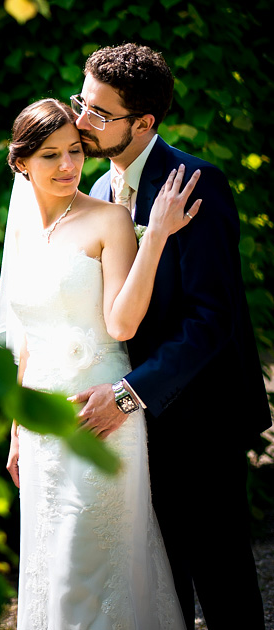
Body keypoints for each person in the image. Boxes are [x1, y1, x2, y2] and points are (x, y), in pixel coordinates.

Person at [68, 43, 271, 629]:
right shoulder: (98, 194)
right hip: (127, 432)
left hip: (199, 423)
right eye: (84, 102)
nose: (82, 120)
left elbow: (212, 319)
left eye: (100, 114)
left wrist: (130, 394)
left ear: (144, 123)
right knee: (158, 585)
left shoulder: (196, 183)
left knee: (224, 586)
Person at [0, 97, 198, 628]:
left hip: (100, 409)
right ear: (21, 163)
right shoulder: (21, 234)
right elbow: (28, 340)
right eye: (50, 155)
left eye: (75, 152)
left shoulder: (109, 218)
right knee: (52, 558)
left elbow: (122, 326)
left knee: (89, 563)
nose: (67, 166)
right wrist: (17, 428)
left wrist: (152, 236)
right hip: (42, 424)